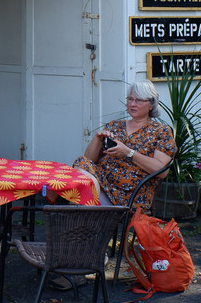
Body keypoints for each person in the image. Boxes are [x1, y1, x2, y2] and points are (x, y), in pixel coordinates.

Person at [74, 80, 175, 211]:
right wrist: (97, 139)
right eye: (130, 99)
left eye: (139, 101)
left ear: (151, 105)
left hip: (131, 195)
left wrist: (129, 153)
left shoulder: (161, 131)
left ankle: (87, 213)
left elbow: (161, 171)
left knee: (82, 191)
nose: (132, 104)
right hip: (103, 184)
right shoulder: (114, 126)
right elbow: (89, 160)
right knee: (81, 162)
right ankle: (89, 211)